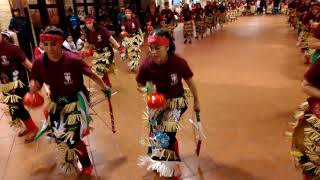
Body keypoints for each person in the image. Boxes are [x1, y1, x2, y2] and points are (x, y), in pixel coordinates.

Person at [29, 26, 112, 175]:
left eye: (53, 44)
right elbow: (36, 79)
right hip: (55, 101)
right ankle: (69, 157)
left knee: (73, 136)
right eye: (45, 44)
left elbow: (92, 75)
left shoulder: (73, 59)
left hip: (75, 100)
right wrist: (33, 89)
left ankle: (86, 163)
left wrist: (105, 87)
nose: (49, 48)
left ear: (60, 43)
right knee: (58, 134)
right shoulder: (39, 62)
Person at [136, 29, 200, 179]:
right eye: (151, 48)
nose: (153, 52)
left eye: (157, 48)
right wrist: (148, 90)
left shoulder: (178, 63)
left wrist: (197, 100)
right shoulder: (146, 65)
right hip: (156, 103)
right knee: (156, 131)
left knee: (168, 133)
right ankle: (157, 157)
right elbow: (139, 84)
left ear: (168, 46)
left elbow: (190, 82)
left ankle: (173, 163)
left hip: (176, 102)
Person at [0, 31, 38, 143]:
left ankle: (33, 128)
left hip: (18, 83)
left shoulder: (13, 49)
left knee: (18, 107)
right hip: (5, 84)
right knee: (13, 108)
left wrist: (39, 77)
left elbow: (28, 64)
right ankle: (29, 126)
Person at [85, 17, 122, 87]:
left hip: (108, 52)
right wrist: (89, 51)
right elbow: (90, 44)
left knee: (102, 68)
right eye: (86, 24)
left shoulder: (101, 29)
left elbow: (111, 39)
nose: (88, 25)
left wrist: (119, 47)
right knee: (98, 70)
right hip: (98, 53)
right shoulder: (88, 32)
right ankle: (105, 84)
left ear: (93, 23)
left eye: (89, 23)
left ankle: (107, 84)